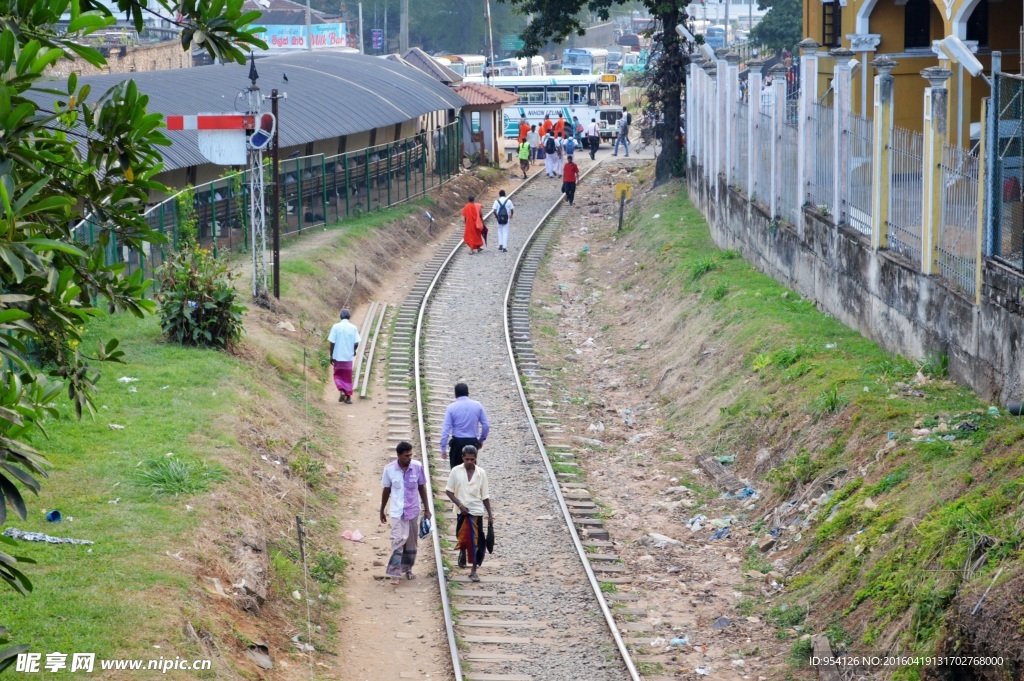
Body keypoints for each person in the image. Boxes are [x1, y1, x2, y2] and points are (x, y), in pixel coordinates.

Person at [379, 442, 431, 585]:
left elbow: (422, 487)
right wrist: (382, 510)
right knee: (398, 540)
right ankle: (395, 573)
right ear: (399, 455)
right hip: (397, 511)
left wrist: (427, 509)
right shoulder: (389, 470)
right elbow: (386, 490)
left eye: (410, 455)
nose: (409, 458)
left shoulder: (417, 467)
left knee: (411, 543)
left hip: (413, 510)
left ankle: (408, 569)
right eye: (406, 455)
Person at [445, 446, 492, 583]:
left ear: (476, 458)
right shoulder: (456, 471)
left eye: (472, 459)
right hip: (462, 512)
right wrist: (460, 505)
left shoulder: (481, 473)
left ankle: (474, 571)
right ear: (462, 458)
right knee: (462, 537)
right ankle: (462, 552)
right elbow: (449, 491)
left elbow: (485, 495)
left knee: (477, 542)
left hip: (476, 511)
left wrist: (490, 514)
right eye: (467, 459)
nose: (470, 462)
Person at [440, 382, 489, 468]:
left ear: (455, 394)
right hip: (472, 442)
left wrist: (443, 449)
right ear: (468, 393)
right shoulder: (478, 405)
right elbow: (486, 426)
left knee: (455, 471)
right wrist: (480, 441)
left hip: (457, 443)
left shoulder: (451, 408)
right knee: (470, 470)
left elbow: (446, 430)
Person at [328, 309, 360, 403]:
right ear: (349, 317)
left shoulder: (336, 327)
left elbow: (332, 342)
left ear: (340, 317)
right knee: (347, 376)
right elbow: (356, 342)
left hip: (338, 356)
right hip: (348, 357)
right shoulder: (353, 327)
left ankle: (341, 390)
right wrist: (353, 351)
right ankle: (348, 397)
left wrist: (331, 355)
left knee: (338, 374)